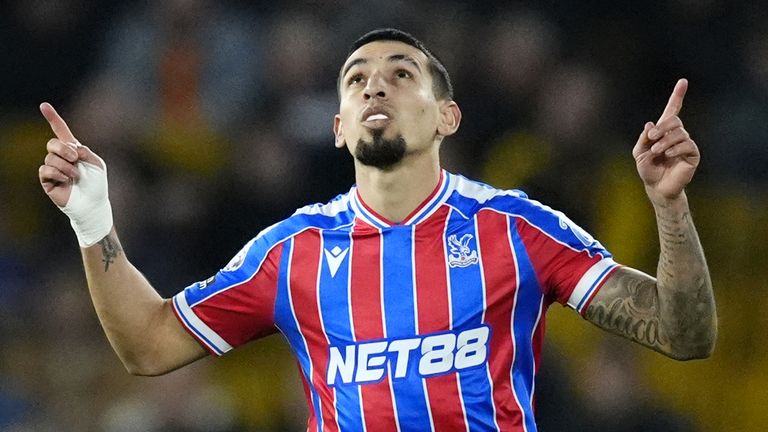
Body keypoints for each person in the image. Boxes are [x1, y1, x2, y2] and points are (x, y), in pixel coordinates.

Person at [38, 28, 716, 432]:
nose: (374, 87)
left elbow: (684, 336)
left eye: (401, 74)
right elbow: (149, 347)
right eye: (356, 79)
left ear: (447, 117)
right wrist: (92, 217)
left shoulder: (518, 230)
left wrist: (670, 209)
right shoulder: (292, 253)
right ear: (337, 129)